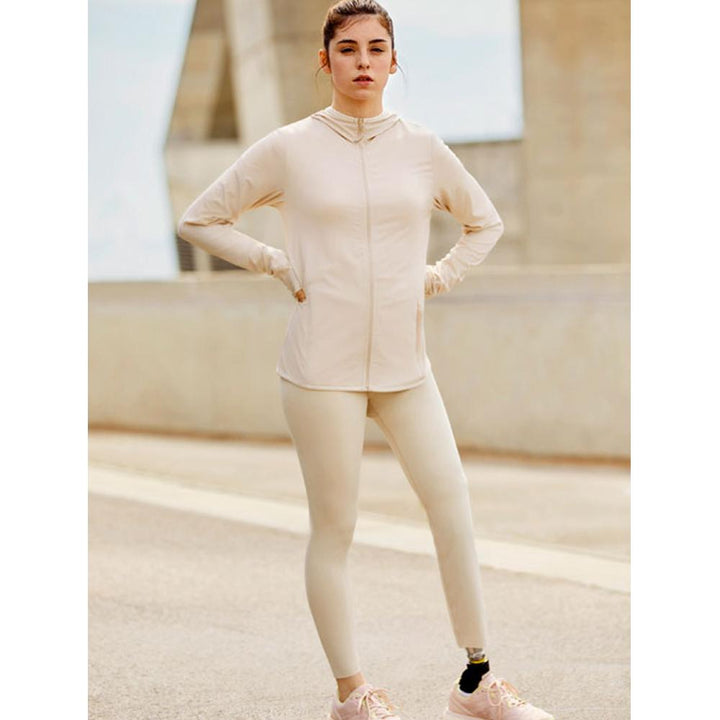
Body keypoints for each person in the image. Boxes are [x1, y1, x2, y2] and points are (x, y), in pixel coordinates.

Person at [177, 2, 554, 718]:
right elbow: (200, 218)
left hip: (407, 368)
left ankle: (476, 682)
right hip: (321, 369)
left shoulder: (421, 147)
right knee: (336, 528)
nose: (363, 61)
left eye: (377, 48)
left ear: (393, 60)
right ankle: (352, 692)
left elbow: (484, 222)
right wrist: (274, 261)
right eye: (347, 49)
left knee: (453, 506)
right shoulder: (290, 148)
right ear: (325, 61)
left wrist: (436, 277)